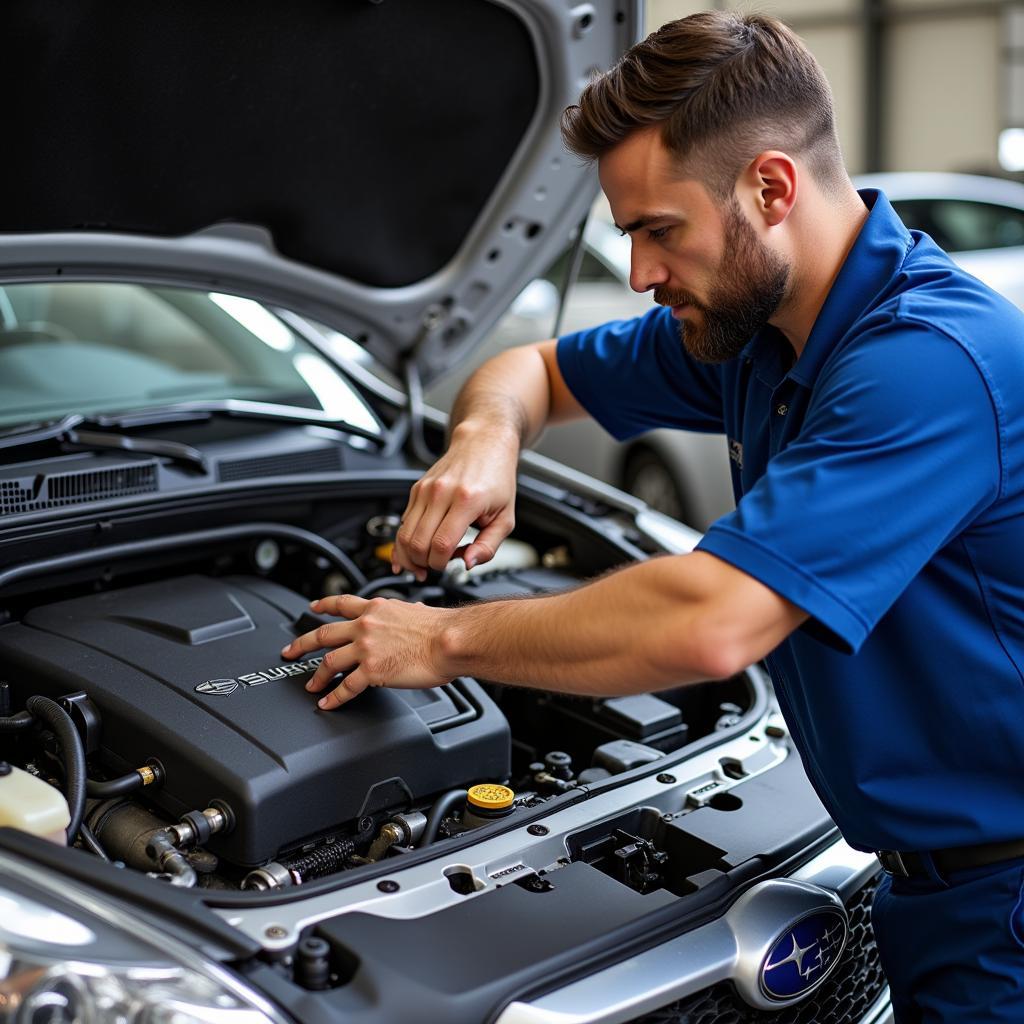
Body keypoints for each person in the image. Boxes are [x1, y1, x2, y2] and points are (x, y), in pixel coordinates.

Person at [282, 11, 1024, 1020]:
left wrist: (444, 638)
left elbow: (711, 623)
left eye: (657, 231)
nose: (638, 275)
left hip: (1004, 903)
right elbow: (529, 370)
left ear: (769, 186)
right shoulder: (758, 329)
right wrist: (484, 443)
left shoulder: (926, 363)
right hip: (929, 880)